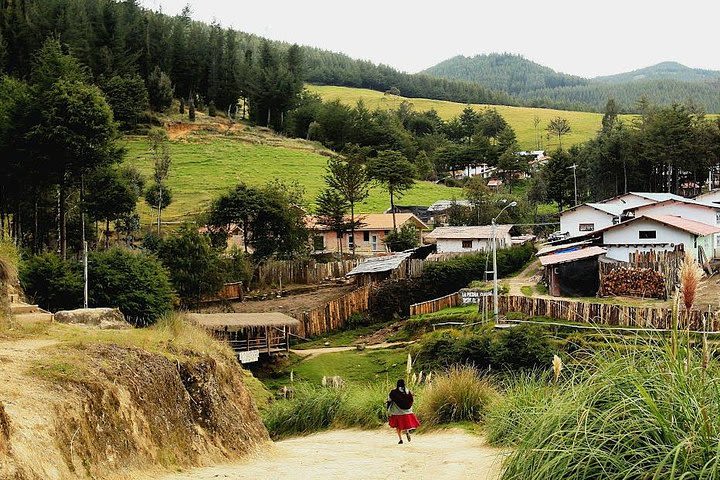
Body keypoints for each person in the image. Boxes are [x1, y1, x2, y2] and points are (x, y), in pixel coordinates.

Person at [386, 379, 420, 444]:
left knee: (398, 426)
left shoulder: (393, 392)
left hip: (397, 413)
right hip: (407, 412)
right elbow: (411, 400)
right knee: (406, 423)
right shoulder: (407, 391)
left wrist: (388, 409)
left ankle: (400, 439)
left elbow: (389, 400)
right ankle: (407, 432)